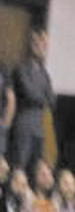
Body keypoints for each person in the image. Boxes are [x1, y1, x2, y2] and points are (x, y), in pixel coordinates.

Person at [8, 27, 55, 178]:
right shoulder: (21, 70)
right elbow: (30, 93)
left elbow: (52, 100)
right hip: (24, 125)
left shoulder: (44, 73)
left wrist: (42, 98)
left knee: (35, 170)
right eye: (40, 44)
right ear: (32, 45)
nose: (43, 49)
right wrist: (43, 98)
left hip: (40, 128)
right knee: (19, 166)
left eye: (45, 45)